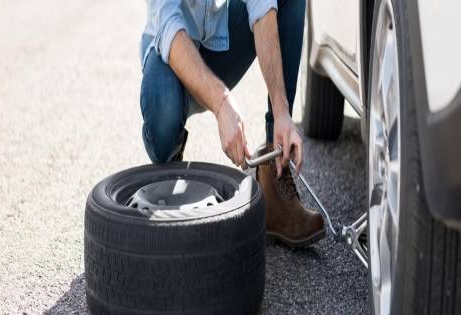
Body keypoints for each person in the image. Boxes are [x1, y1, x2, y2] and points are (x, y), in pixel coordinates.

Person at [139, 0, 324, 246]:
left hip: (219, 42)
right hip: (171, 54)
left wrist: (282, 112)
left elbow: (262, 6)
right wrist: (221, 103)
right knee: (163, 112)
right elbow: (169, 25)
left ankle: (274, 173)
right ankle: (169, 171)